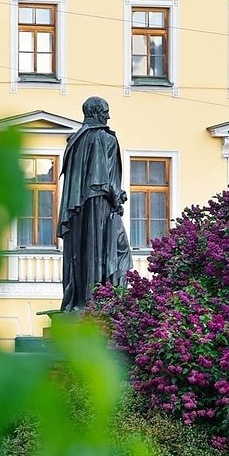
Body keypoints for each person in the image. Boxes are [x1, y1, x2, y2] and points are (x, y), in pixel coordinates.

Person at [57, 96, 133, 311]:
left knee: (83, 250)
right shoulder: (103, 138)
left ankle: (83, 299)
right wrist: (118, 196)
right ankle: (100, 301)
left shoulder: (76, 140)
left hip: (78, 210)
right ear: (96, 112)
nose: (108, 116)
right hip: (100, 206)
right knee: (116, 251)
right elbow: (103, 179)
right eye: (105, 111)